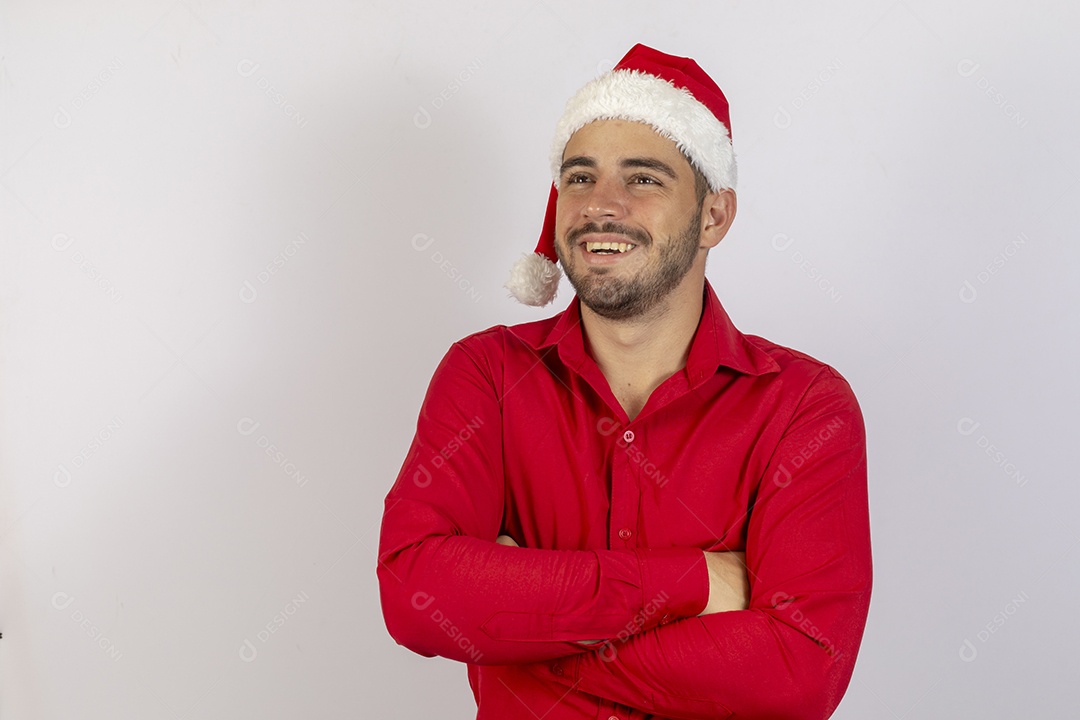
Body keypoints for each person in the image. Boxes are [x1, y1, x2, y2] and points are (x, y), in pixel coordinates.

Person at [378, 44, 872, 720]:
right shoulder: (486, 375)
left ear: (714, 216)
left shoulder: (804, 406)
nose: (601, 205)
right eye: (580, 178)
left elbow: (799, 673)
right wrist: (697, 582)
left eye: (643, 179)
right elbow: (415, 593)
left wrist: (521, 642)